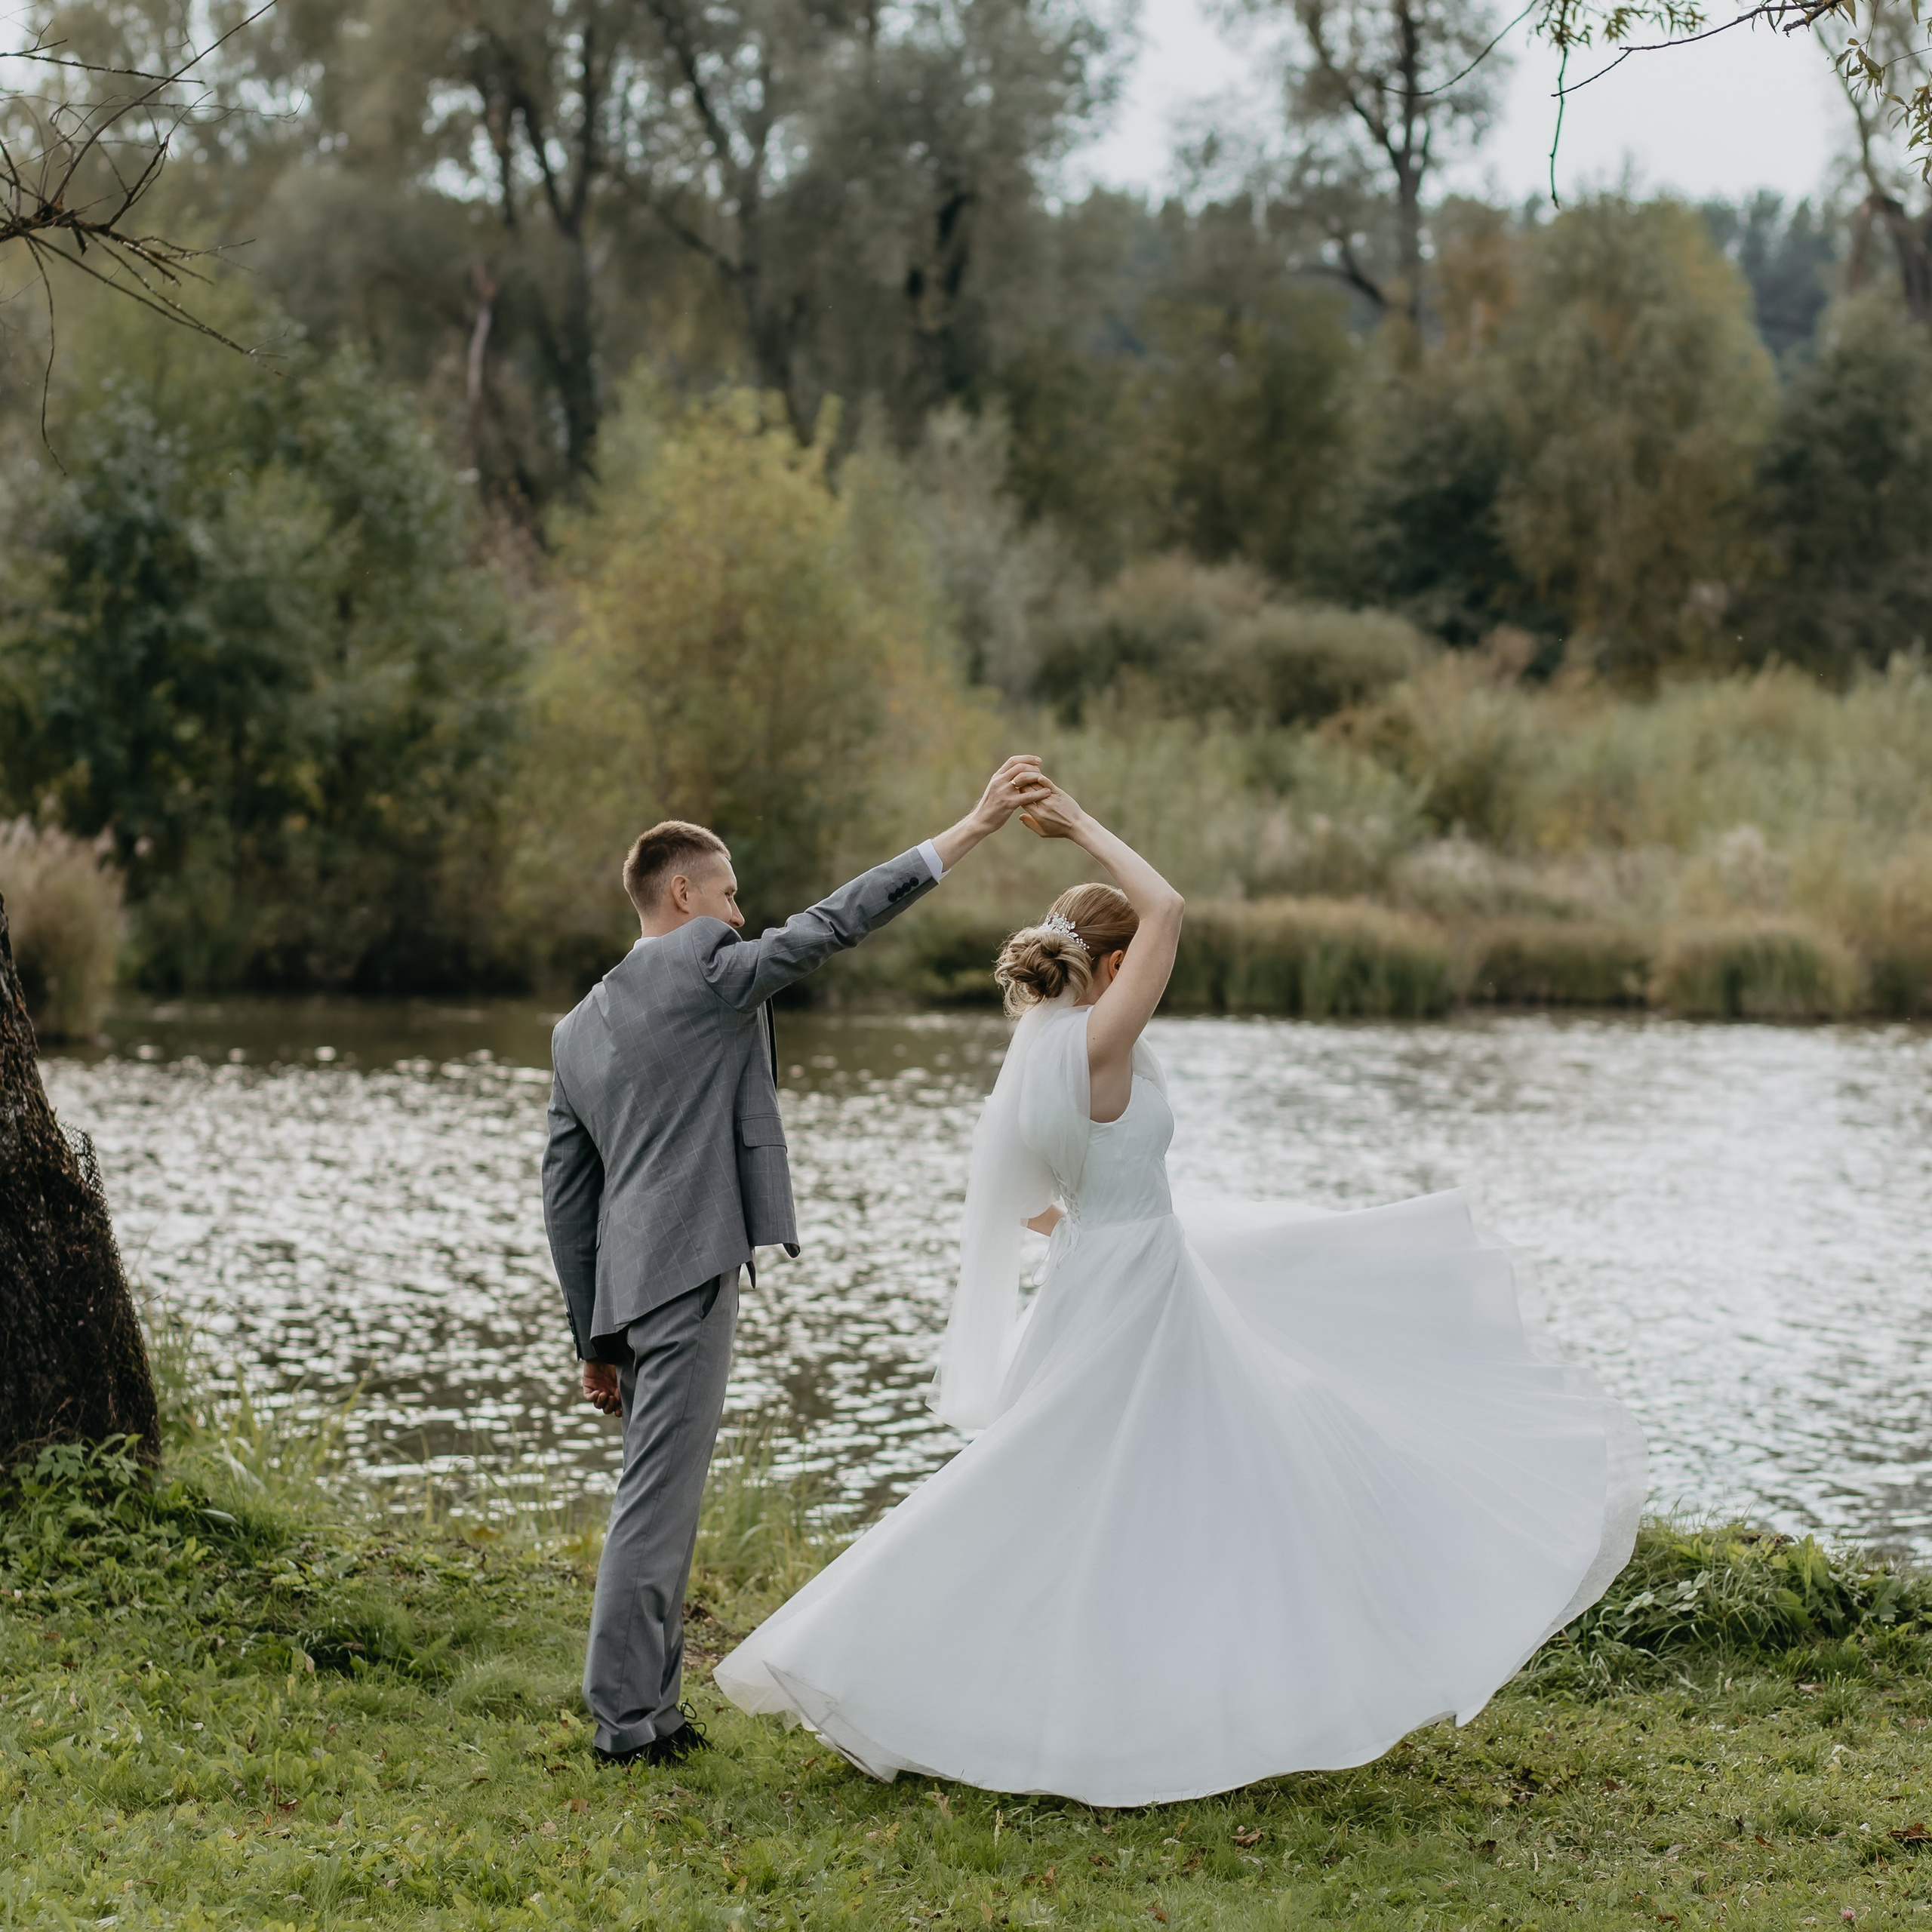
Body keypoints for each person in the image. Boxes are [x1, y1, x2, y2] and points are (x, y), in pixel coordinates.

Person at [715, 784, 1645, 1806]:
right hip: (1138, 1284)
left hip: (1097, 1272)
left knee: (1094, 1488)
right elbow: (1169, 907)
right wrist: (1078, 824)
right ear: (1114, 968)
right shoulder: (1100, 1043)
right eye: (1135, 966)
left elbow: (1024, 1203)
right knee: (1125, 1479)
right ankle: (891, 1657)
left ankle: (1104, 1685)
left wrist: (1098, 1232)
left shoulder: (1037, 1054)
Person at [543, 755, 1054, 1767]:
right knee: (657, 1506)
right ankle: (624, 1726)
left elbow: (567, 1200)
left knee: (660, 1495)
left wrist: (591, 1339)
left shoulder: (577, 1029)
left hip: (628, 1289)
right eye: (730, 896)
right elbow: (835, 922)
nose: (741, 917)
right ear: (682, 894)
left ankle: (654, 1711)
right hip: (687, 1274)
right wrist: (970, 829)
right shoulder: (708, 972)